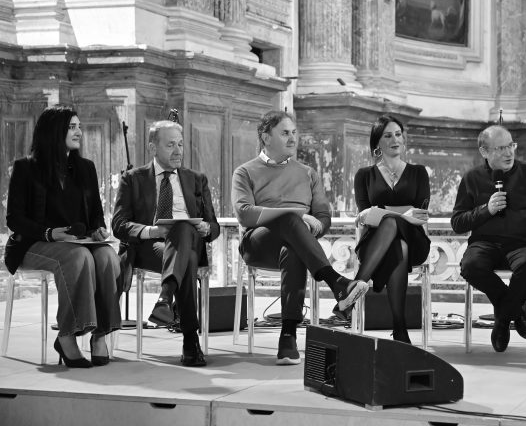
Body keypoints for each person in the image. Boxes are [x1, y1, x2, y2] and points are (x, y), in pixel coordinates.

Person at [232, 110, 368, 365]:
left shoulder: (307, 173)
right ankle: (336, 282)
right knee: (291, 220)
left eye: (294, 132)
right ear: (266, 137)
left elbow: (324, 216)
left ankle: (288, 337)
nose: (292, 138)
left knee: (293, 250)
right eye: (285, 133)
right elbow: (244, 215)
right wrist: (297, 217)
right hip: (258, 243)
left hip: (297, 244)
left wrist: (311, 225)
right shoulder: (245, 172)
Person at [4, 106, 121, 368]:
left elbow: (96, 216)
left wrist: (98, 230)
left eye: (79, 126)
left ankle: (99, 334)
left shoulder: (86, 168)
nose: (79, 132)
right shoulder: (25, 168)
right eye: (71, 127)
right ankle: (67, 336)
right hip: (32, 244)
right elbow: (14, 220)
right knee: (78, 257)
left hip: (74, 243)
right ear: (53, 131)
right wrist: (49, 233)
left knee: (107, 256)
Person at [451, 125, 526, 352]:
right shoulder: (472, 178)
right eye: (500, 148)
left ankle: (502, 320)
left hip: (524, 244)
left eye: (511, 146)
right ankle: (516, 309)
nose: (509, 153)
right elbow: (457, 223)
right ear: (484, 151)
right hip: (484, 244)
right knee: (470, 266)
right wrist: (486, 210)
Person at [112, 119, 219, 367]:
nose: (178, 151)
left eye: (180, 144)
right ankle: (190, 342)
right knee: (187, 258)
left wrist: (205, 228)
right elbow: (118, 225)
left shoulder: (196, 179)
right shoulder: (133, 179)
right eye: (171, 145)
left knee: (183, 229)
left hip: (186, 242)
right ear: (153, 147)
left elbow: (214, 227)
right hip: (150, 247)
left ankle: (165, 297)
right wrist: (151, 231)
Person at [352, 115, 430, 344]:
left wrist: (386, 212)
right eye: (388, 135)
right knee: (398, 243)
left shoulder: (418, 172)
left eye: (398, 134)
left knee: (395, 227)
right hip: (375, 243)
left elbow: (421, 213)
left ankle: (354, 287)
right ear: (378, 143)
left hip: (415, 238)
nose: (395, 139)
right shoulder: (364, 175)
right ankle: (399, 328)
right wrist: (393, 213)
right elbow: (365, 214)